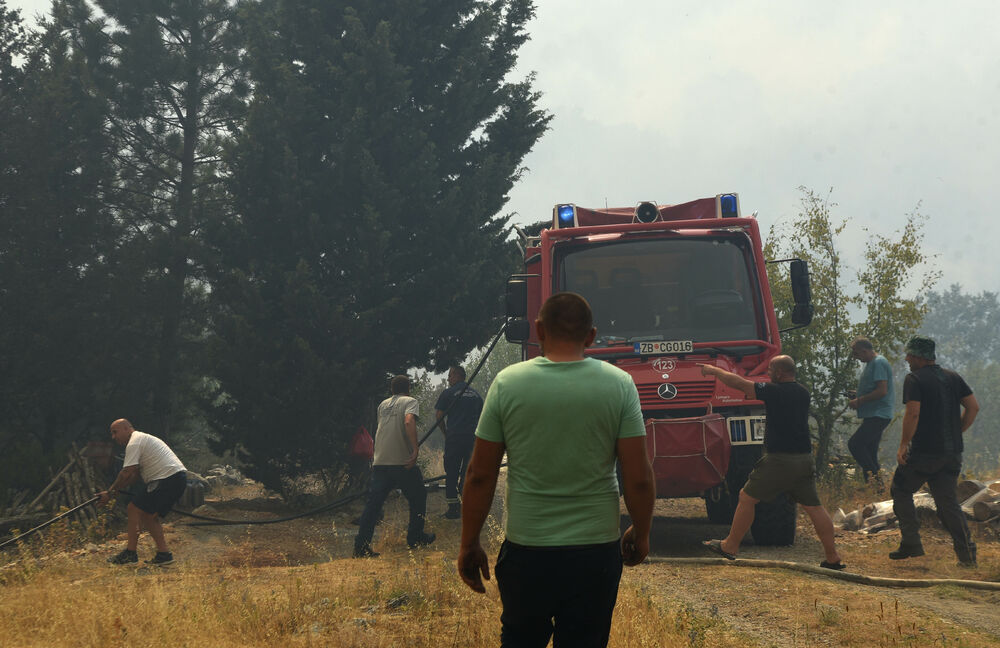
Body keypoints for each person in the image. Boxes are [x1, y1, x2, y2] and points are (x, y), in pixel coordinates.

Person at [457, 292, 655, 648]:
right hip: (595, 554)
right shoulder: (619, 384)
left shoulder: (507, 383)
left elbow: (479, 475)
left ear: (538, 329)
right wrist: (640, 533)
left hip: (528, 552)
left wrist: (469, 543)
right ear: (591, 336)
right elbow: (638, 476)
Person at [699, 356, 845, 570]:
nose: (767, 373)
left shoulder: (773, 391)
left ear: (779, 373)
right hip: (804, 459)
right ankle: (832, 557)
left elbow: (738, 383)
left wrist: (714, 371)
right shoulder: (803, 392)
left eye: (770, 369)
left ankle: (730, 546)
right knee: (814, 508)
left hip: (778, 460)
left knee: (746, 497)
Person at [890, 335, 980, 566]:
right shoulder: (953, 377)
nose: (907, 358)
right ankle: (967, 556)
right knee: (947, 503)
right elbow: (973, 407)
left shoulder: (914, 379)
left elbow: (913, 413)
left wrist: (903, 445)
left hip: (925, 453)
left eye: (910, 354)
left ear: (920, 357)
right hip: (951, 454)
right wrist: (957, 432)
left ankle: (911, 542)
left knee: (900, 489)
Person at [353, 375, 436, 558]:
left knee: (373, 506)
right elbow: (408, 421)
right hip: (401, 462)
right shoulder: (410, 401)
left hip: (380, 461)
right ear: (408, 389)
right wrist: (415, 449)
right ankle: (415, 537)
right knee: (418, 495)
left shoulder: (383, 405)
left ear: (392, 390)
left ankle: (361, 546)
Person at [99, 419, 188, 566]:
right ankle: (164, 554)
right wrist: (114, 492)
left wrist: (109, 493)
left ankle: (130, 554)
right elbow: (134, 476)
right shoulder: (142, 439)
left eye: (115, 432)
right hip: (176, 478)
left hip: (167, 479)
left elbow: (127, 472)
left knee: (133, 508)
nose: (113, 437)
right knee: (148, 516)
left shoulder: (135, 442)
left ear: (127, 428)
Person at [435, 365, 484, 519]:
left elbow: (439, 416)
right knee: (467, 474)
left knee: (451, 473)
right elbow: (483, 419)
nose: (448, 379)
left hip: (454, 438)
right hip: (472, 439)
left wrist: (446, 433)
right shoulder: (476, 395)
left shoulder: (448, 393)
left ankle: (453, 509)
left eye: (450, 375)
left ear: (457, 375)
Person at [847, 337, 894, 482]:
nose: (855, 358)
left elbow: (882, 391)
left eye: (856, 354)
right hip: (875, 414)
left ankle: (873, 479)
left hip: (879, 414)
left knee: (855, 444)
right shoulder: (871, 364)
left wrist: (859, 401)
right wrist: (858, 394)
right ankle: (875, 487)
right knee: (870, 451)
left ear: (864, 350)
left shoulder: (878, 363)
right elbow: (874, 388)